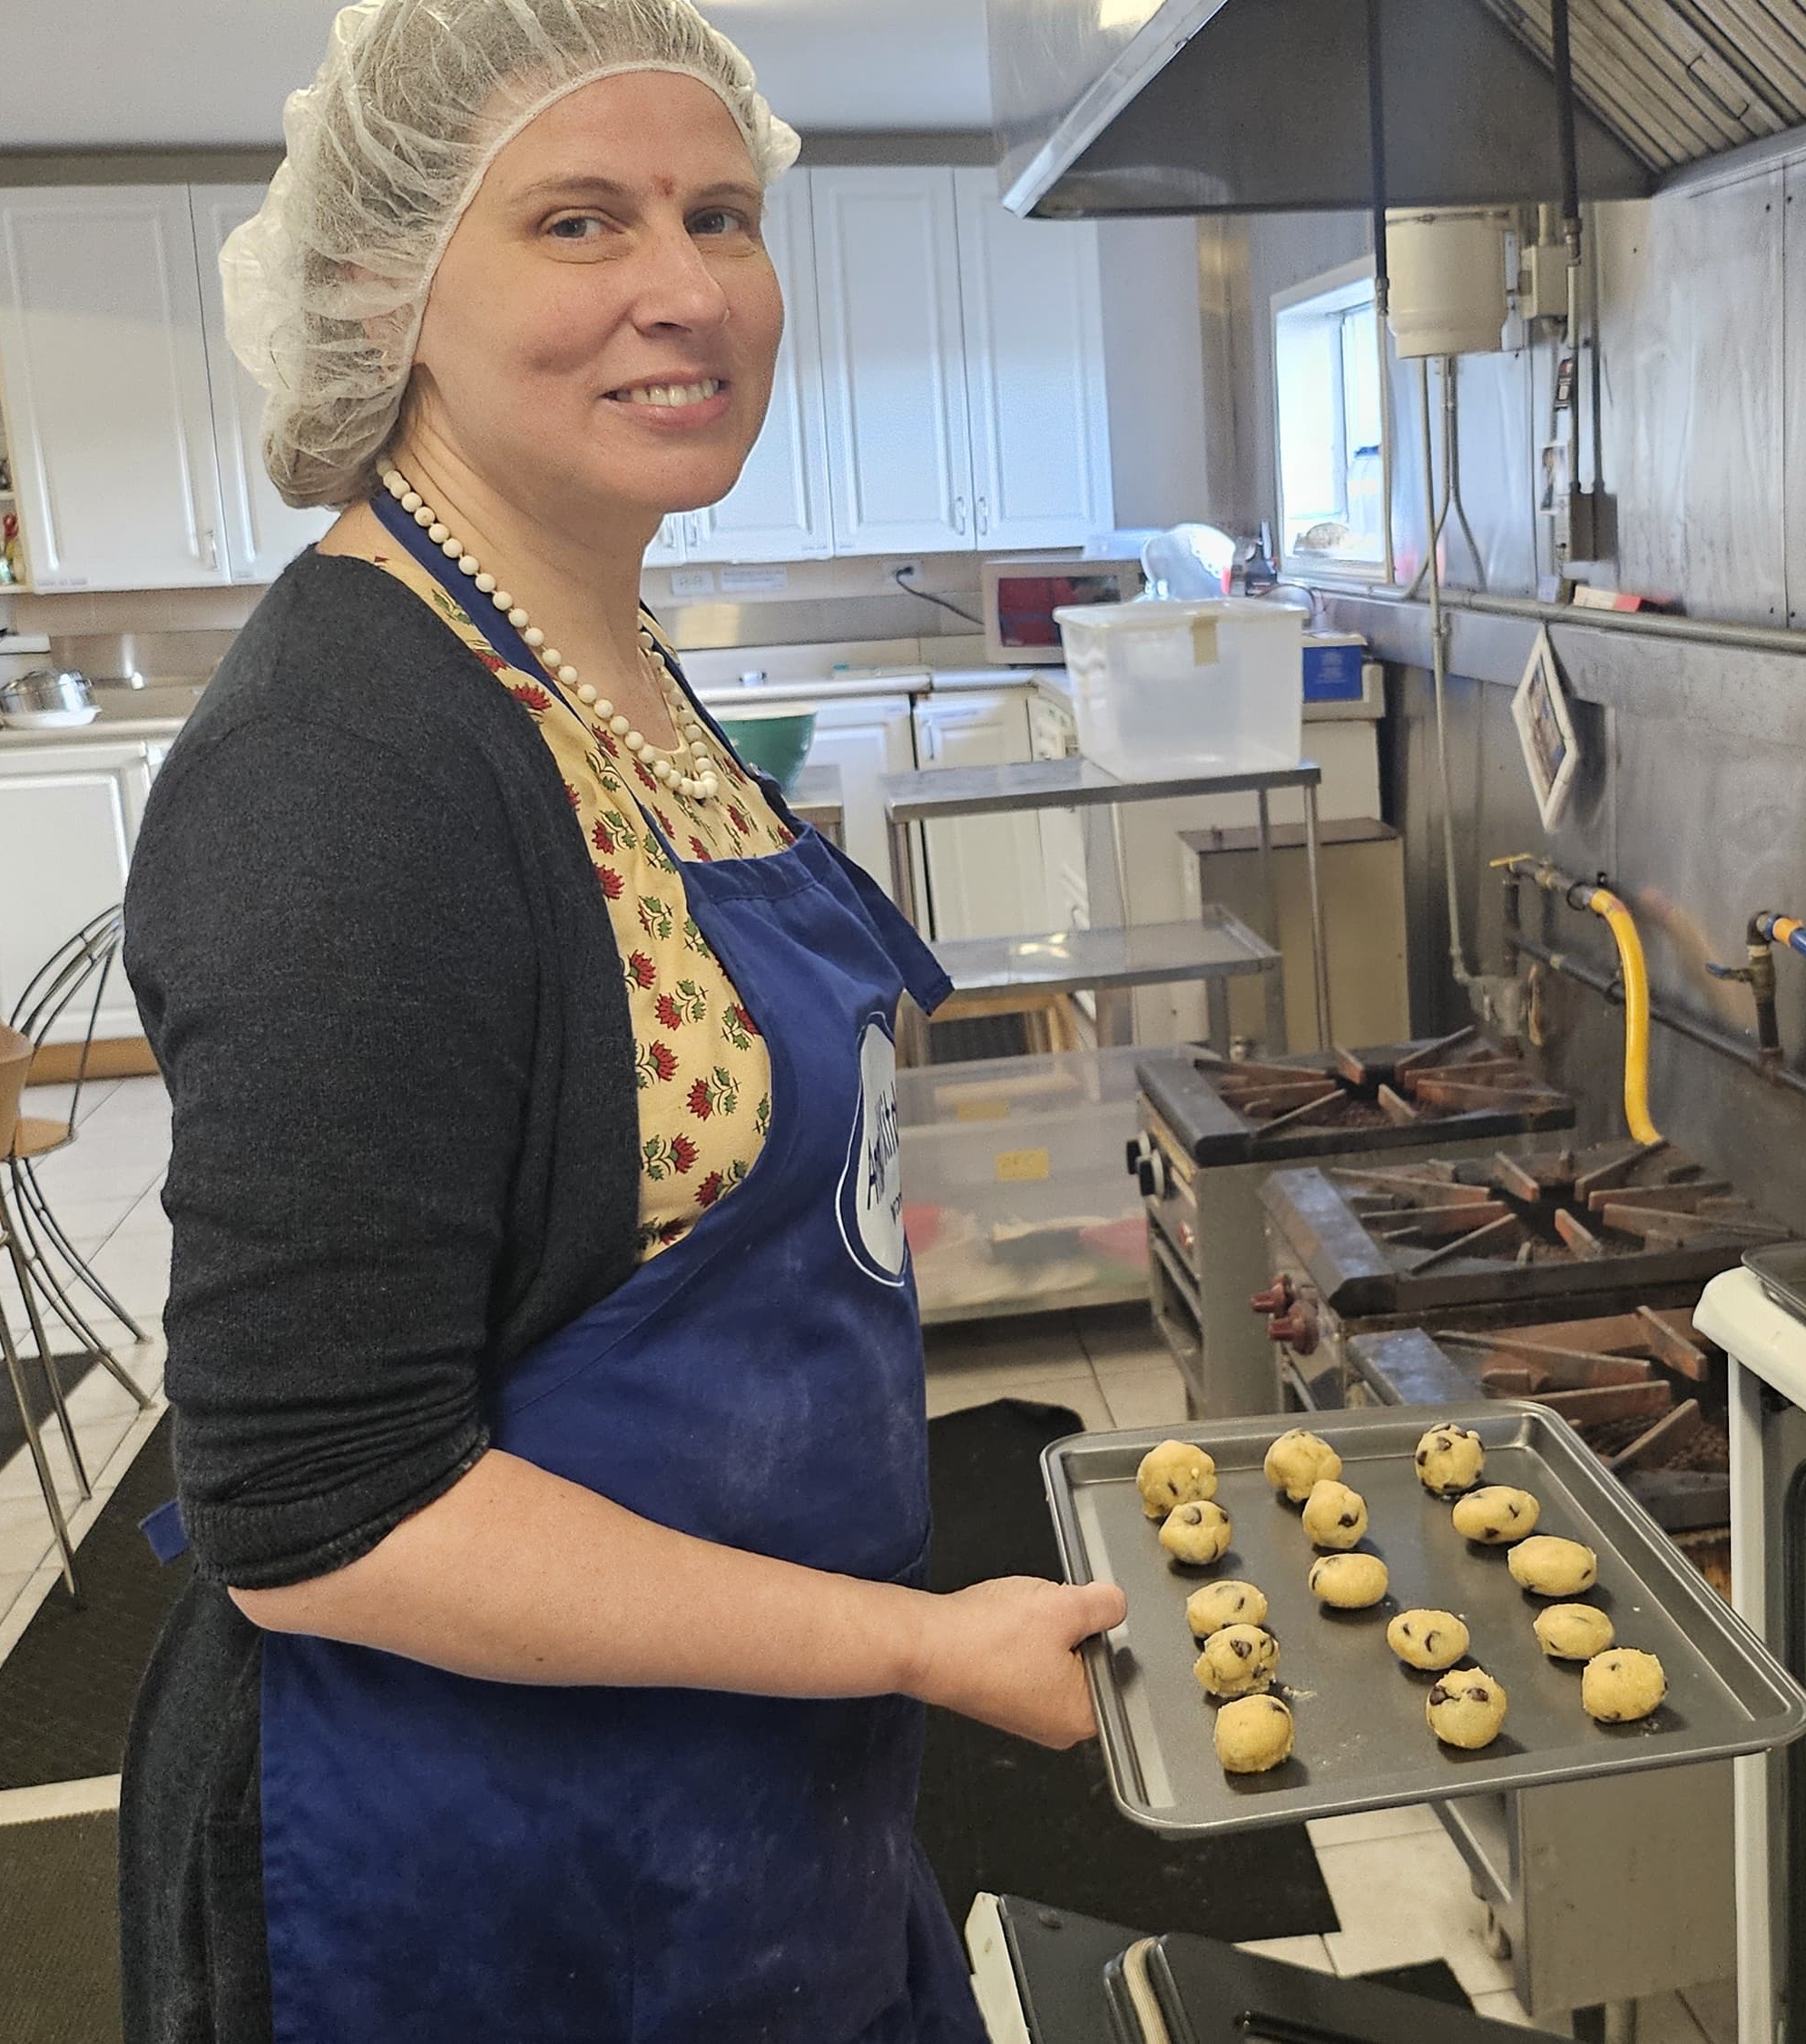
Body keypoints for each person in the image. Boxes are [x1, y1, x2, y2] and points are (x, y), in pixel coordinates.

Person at [116, 5, 1124, 2038]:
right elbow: (321, 1513)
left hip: (741, 1801)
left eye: (721, 214)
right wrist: (911, 1646)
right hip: (482, 1883)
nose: (688, 288)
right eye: (579, 222)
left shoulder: (595, 651)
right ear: (381, 295)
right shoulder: (350, 759)